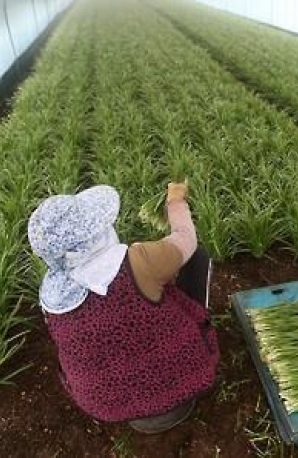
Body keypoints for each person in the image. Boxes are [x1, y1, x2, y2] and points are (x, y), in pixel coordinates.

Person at [28, 182, 219, 434]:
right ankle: (178, 388)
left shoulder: (52, 298)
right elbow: (186, 239)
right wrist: (175, 201)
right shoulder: (137, 261)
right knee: (196, 261)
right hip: (179, 375)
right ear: (95, 231)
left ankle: (140, 412)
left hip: (106, 403)